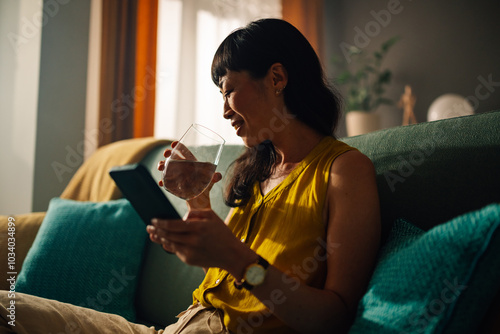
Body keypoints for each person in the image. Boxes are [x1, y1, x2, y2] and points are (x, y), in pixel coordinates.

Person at [0, 18, 380, 334]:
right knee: (8, 309)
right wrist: (196, 202)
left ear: (277, 78)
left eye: (229, 90)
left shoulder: (344, 171)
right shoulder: (259, 169)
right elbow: (224, 270)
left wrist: (236, 258)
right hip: (177, 326)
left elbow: (333, 318)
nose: (225, 111)